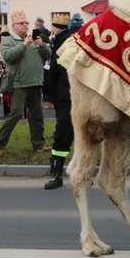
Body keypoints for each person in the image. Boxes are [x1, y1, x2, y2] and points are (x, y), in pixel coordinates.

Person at [0, 10, 51, 155]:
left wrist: (42, 45)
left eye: (26, 23)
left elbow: (48, 54)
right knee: (16, 113)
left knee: (37, 114)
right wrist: (23, 45)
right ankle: (0, 143)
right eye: (22, 23)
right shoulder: (8, 42)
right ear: (14, 26)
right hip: (19, 84)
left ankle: (39, 143)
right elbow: (8, 57)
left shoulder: (33, 40)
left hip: (35, 82)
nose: (25, 25)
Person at [44, 13, 74, 189]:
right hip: (66, 97)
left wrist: (51, 95)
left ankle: (61, 174)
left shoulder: (64, 42)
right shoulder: (60, 41)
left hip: (69, 98)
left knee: (66, 135)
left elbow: (54, 73)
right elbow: (54, 72)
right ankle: (57, 172)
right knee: (65, 136)